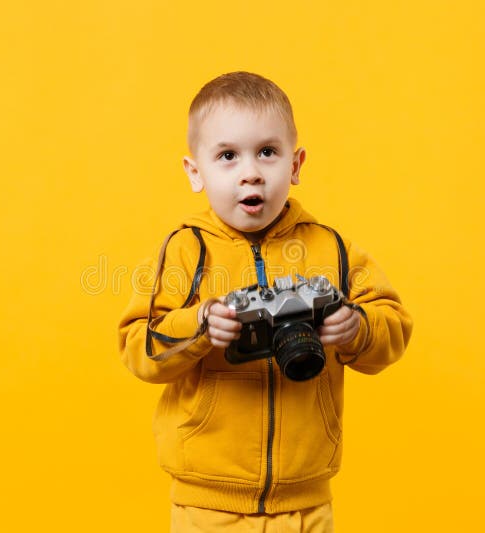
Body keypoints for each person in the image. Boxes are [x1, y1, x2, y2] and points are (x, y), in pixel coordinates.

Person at [118, 71, 413, 532]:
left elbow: (395, 324)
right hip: (207, 504)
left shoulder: (332, 249)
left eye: (267, 153)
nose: (250, 171)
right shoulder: (185, 249)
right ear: (196, 172)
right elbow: (139, 347)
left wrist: (358, 327)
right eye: (228, 156)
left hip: (306, 502)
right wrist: (199, 326)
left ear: (295, 166)